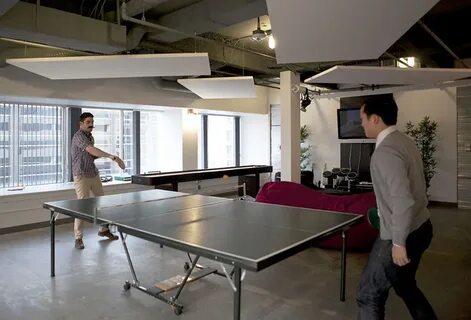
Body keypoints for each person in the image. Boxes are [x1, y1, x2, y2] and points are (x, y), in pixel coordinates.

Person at [357, 95, 437, 319]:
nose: (361, 124)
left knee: (369, 294)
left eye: (363, 118)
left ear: (375, 119)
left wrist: (398, 243)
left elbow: (402, 199)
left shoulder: (385, 153)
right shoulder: (404, 140)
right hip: (422, 226)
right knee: (405, 286)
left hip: (401, 233)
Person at [71, 112, 126, 250]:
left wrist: (104, 157)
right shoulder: (78, 136)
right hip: (81, 175)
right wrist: (112, 157)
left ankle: (103, 230)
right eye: (88, 122)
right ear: (81, 124)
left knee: (101, 203)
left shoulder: (91, 137)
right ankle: (78, 237)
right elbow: (90, 149)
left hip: (93, 174)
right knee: (82, 207)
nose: (91, 125)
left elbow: (91, 154)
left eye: (92, 122)